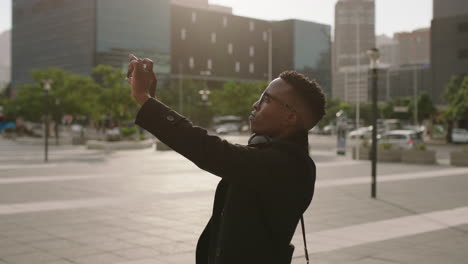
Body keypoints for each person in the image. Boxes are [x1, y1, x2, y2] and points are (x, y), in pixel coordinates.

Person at [127, 54, 326, 264]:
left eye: (266, 99)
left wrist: (144, 98)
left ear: (290, 117)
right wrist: (151, 100)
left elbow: (209, 149)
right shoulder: (270, 155)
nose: (255, 104)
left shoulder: (288, 165)